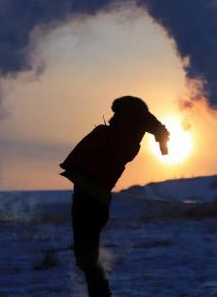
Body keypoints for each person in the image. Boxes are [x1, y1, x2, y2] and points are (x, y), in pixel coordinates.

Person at [60, 96, 170, 297]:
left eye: (118, 113)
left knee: (86, 259)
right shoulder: (118, 138)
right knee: (87, 259)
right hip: (92, 198)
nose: (113, 117)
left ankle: (101, 294)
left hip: (89, 200)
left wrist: (161, 136)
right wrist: (161, 137)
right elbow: (149, 122)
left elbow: (143, 118)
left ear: (128, 117)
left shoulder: (116, 138)